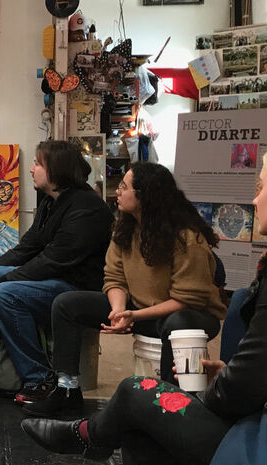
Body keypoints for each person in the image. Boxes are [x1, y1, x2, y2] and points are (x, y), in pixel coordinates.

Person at [22, 130, 267, 465]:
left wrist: (193, 402)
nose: (256, 198)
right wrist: (224, 372)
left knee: (139, 394)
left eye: (262, 186)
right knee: (140, 427)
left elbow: (240, 391)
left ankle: (89, 436)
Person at [26, 161, 226, 417]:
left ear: (144, 195)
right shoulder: (125, 228)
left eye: (124, 186)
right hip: (142, 311)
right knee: (66, 304)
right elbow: (114, 277)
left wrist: (134, 316)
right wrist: (119, 311)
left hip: (191, 316)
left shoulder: (187, 236)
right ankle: (67, 390)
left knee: (176, 322)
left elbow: (187, 298)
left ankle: (170, 404)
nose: (117, 191)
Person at [0, 140, 113, 405]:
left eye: (37, 163)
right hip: (54, 277)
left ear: (55, 168)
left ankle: (39, 377)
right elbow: (27, 248)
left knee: (5, 294)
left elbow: (51, 262)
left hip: (76, 288)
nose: (31, 169)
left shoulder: (87, 208)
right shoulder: (51, 202)